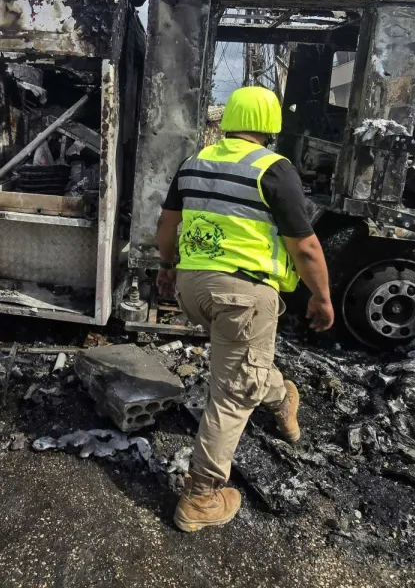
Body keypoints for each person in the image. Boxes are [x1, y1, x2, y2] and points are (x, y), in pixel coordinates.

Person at [155, 85, 335, 533]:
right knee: (234, 392)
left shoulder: (195, 163)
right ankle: (200, 496)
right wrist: (322, 296)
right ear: (270, 126)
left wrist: (166, 267)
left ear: (231, 120)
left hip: (193, 289)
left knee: (245, 369)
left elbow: (167, 225)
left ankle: (282, 398)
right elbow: (306, 246)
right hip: (243, 295)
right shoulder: (274, 170)